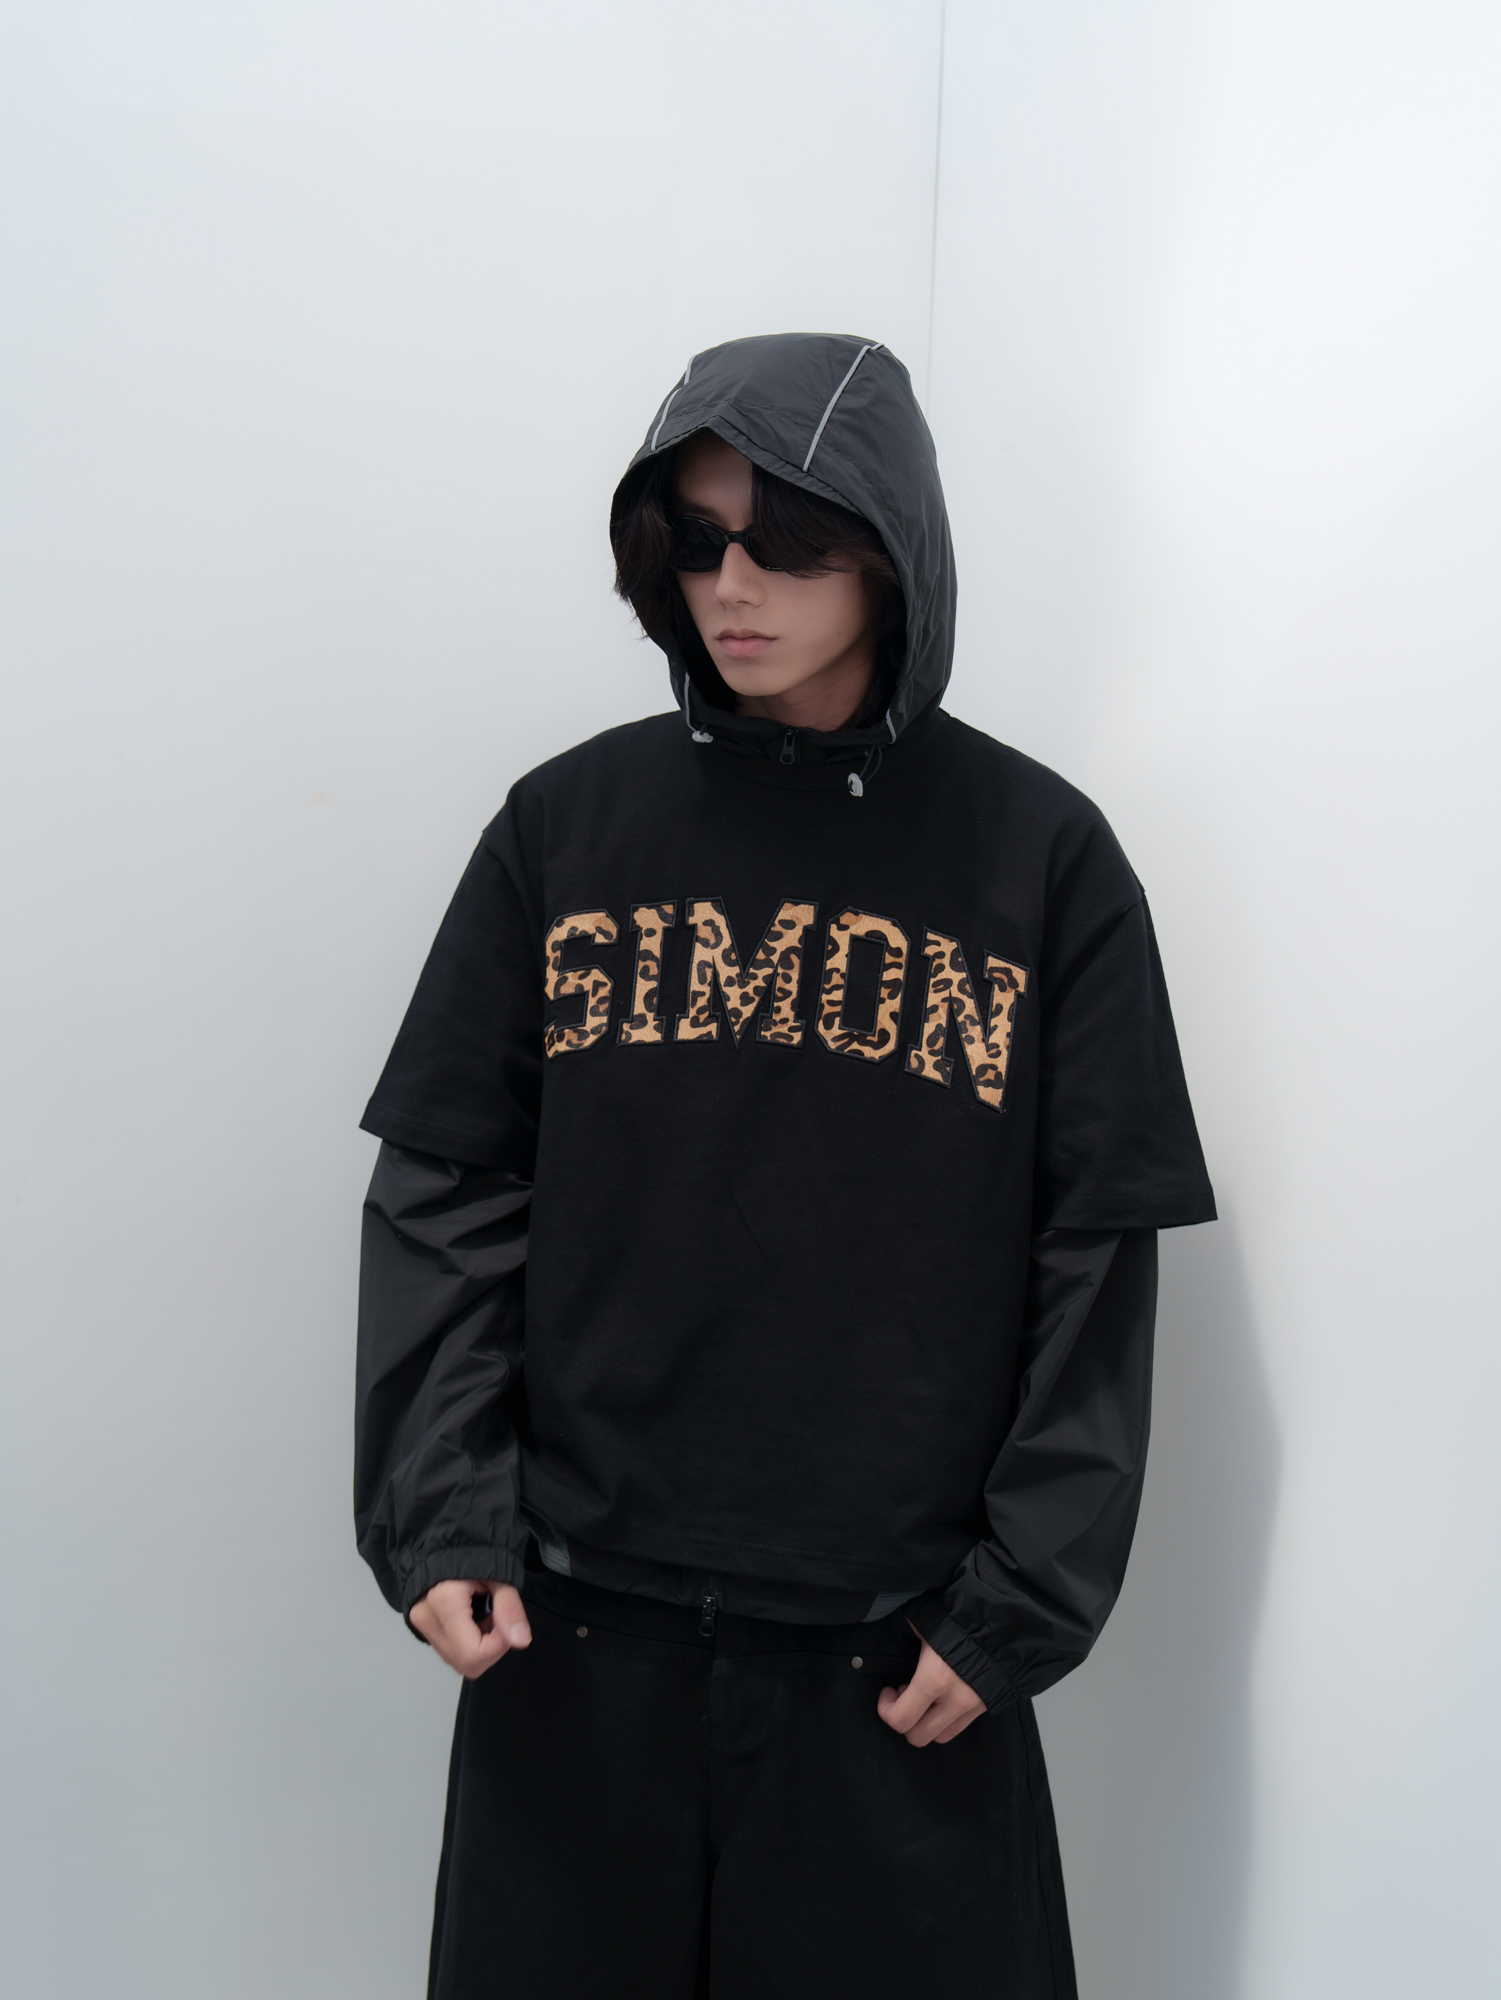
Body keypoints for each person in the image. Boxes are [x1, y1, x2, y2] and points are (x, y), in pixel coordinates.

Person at [354, 331, 1215, 1999]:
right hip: (573, 1630)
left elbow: (1095, 1254)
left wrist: (1018, 1600)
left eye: (786, 543)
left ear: (888, 550)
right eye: (693, 540)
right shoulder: (567, 829)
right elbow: (448, 1188)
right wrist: (442, 1511)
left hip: (893, 1657)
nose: (730, 586)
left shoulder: (1039, 860)